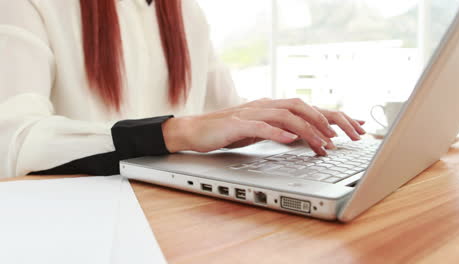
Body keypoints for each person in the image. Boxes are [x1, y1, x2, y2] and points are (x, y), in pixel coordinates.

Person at [0, 0, 366, 178]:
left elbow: (226, 112)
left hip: (174, 216)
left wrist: (286, 122)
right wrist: (177, 131)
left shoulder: (186, 12)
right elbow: (10, 139)